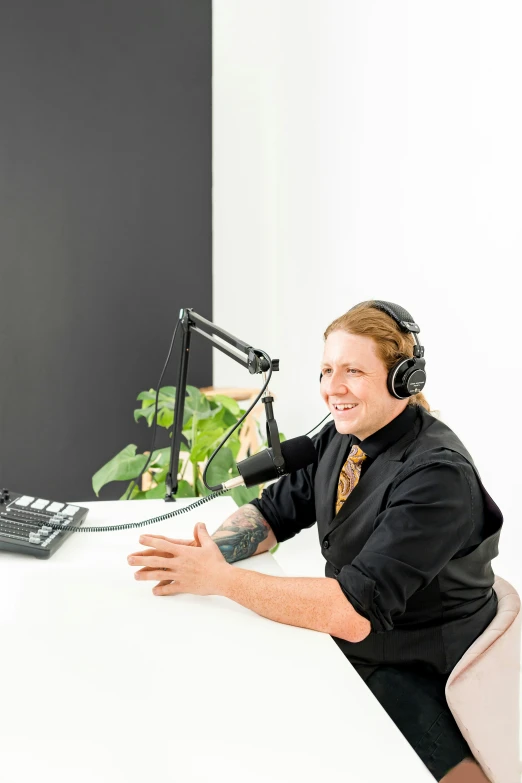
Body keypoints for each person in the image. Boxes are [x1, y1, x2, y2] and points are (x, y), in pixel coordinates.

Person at [127, 300, 502, 783]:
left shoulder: (437, 477)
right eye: (326, 370)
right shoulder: (344, 438)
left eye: (353, 371)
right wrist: (205, 554)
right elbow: (271, 514)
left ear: (404, 378)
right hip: (358, 646)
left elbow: (352, 610)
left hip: (418, 665)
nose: (332, 388)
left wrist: (220, 580)